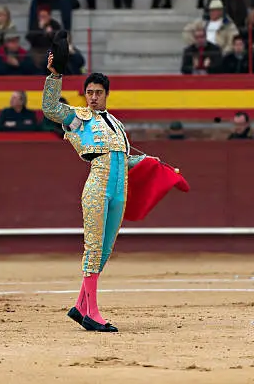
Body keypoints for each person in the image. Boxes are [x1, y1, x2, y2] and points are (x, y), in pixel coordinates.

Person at [41, 52, 153, 333]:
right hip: (97, 188)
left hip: (119, 191)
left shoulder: (117, 124)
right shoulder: (78, 118)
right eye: (89, 92)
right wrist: (55, 76)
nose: (93, 97)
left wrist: (150, 163)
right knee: (93, 248)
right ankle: (92, 312)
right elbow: (50, 108)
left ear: (106, 95)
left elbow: (122, 159)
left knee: (104, 251)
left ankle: (80, 307)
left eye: (98, 93)